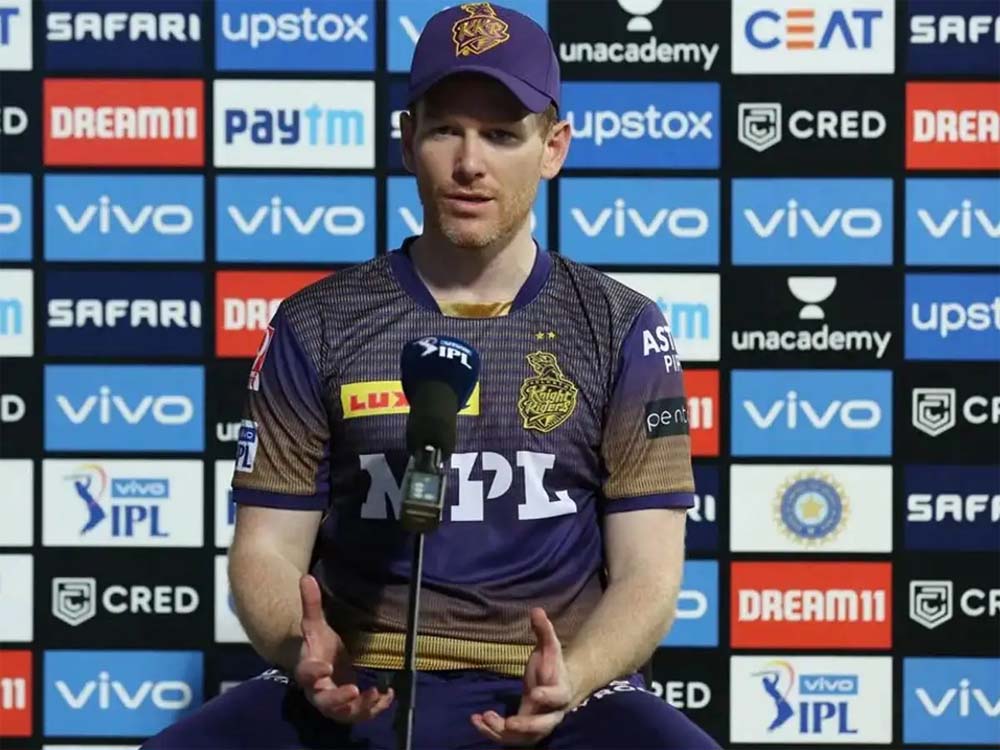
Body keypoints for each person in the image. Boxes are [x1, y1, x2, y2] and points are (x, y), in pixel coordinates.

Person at [141, 3, 719, 748]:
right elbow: (266, 547)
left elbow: (649, 572)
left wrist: (574, 675)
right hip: (361, 679)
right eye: (446, 130)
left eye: (502, 135)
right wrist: (303, 650)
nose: (470, 163)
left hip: (560, 689)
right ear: (408, 140)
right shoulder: (317, 322)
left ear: (553, 148)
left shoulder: (621, 326)